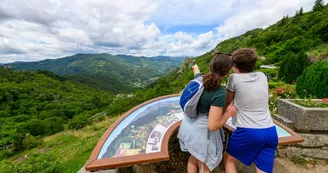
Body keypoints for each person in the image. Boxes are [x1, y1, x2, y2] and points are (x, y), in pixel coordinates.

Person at [178, 53, 236, 173]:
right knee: (204, 167)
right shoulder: (219, 92)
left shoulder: (201, 79)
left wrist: (195, 68)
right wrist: (229, 113)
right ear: (227, 72)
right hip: (200, 136)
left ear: (211, 66)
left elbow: (197, 73)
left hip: (187, 128)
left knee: (193, 158)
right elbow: (213, 125)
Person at [224, 48, 278, 173]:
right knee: (262, 169)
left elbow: (227, 102)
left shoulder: (233, 78)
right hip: (270, 131)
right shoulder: (262, 76)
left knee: (229, 159)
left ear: (235, 67)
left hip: (248, 131)